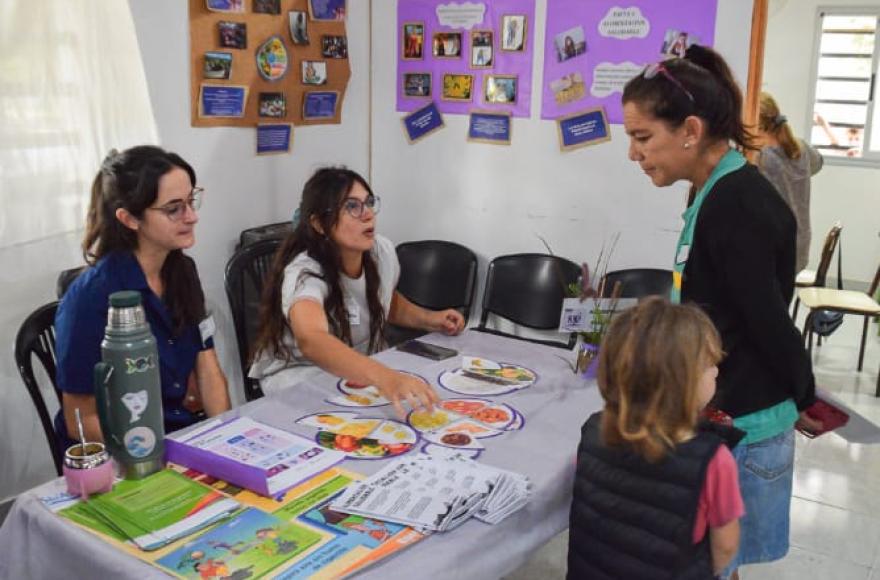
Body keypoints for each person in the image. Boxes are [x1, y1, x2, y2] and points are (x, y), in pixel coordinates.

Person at [622, 45, 821, 579]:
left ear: (689, 129)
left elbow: (768, 323)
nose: (634, 155)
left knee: (719, 564)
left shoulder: (740, 205)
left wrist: (805, 393)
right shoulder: (710, 191)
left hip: (747, 423)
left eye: (643, 138)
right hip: (720, 411)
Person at [54, 146, 230, 451]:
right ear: (130, 218)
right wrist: (151, 455)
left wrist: (225, 439)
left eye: (191, 201)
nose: (192, 216)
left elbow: (207, 367)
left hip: (176, 432)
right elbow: (80, 420)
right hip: (120, 450)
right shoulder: (91, 298)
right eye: (174, 208)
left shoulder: (182, 270)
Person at [249, 167, 464, 417]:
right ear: (319, 223)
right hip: (301, 375)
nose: (368, 215)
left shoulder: (380, 250)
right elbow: (312, 339)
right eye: (352, 206)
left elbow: (383, 300)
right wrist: (386, 377)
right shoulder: (306, 273)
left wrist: (430, 319)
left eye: (369, 203)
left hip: (357, 371)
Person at [567, 297, 744, 578]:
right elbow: (725, 545)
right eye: (709, 364)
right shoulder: (714, 462)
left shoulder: (592, 431)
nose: (717, 371)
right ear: (680, 383)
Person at [757, 92, 824, 273]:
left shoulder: (762, 158)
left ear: (758, 125)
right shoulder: (801, 147)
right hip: (800, 243)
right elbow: (819, 163)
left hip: (776, 247)